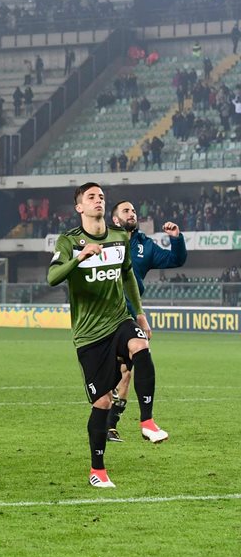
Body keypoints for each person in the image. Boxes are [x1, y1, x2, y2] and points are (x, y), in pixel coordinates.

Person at [48, 183, 166, 489]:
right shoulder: (69, 241)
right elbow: (52, 277)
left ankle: (147, 421)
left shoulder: (118, 237)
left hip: (119, 319)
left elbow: (127, 275)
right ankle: (97, 470)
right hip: (89, 335)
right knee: (101, 402)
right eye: (91, 197)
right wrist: (80, 258)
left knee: (141, 346)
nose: (98, 200)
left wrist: (140, 314)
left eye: (101, 196)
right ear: (79, 207)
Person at [106, 201, 186, 442]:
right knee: (114, 373)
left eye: (133, 210)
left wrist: (176, 238)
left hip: (129, 315)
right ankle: (108, 422)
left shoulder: (145, 245)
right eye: (126, 211)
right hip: (104, 314)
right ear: (115, 219)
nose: (132, 213)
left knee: (126, 370)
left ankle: (112, 425)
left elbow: (175, 260)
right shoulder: (105, 240)